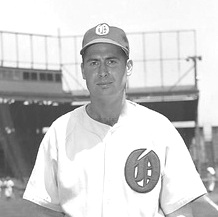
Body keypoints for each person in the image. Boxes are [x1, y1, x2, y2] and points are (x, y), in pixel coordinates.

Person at [23, 23, 207, 217]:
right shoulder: (60, 131)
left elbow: (180, 210)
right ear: (83, 70)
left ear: (128, 67)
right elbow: (44, 208)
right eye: (93, 62)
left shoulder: (159, 129)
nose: (103, 71)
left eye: (112, 61)